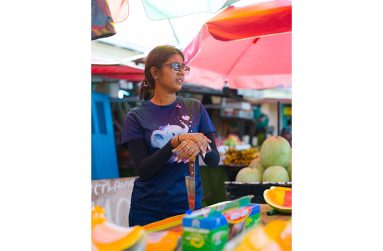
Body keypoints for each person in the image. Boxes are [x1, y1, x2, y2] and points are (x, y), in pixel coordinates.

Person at [121, 45, 220, 226]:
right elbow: (144, 169)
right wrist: (175, 142)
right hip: (148, 210)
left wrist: (199, 145)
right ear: (155, 72)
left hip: (188, 207)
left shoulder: (195, 108)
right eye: (175, 66)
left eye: (184, 67)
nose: (182, 72)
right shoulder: (136, 116)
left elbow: (213, 160)